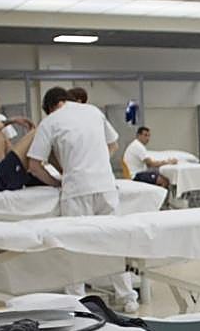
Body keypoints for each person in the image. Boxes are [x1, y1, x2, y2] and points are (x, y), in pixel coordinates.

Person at [26, 86, 139, 313]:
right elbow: (113, 144)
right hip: (105, 185)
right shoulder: (93, 111)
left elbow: (34, 165)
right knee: (114, 244)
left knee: (74, 247)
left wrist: (56, 182)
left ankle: (77, 302)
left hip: (77, 189)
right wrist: (96, 162)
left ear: (49, 107)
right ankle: (128, 298)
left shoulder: (50, 121)